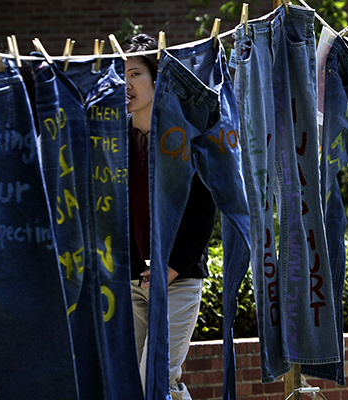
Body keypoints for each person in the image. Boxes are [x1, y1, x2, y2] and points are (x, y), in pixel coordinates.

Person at [121, 33, 217, 400]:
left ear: (156, 79)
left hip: (178, 280)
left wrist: (170, 268)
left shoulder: (183, 138)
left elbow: (204, 213)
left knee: (155, 378)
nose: (125, 83)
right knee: (138, 382)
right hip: (132, 282)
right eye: (120, 75)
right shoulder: (115, 141)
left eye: (134, 74)